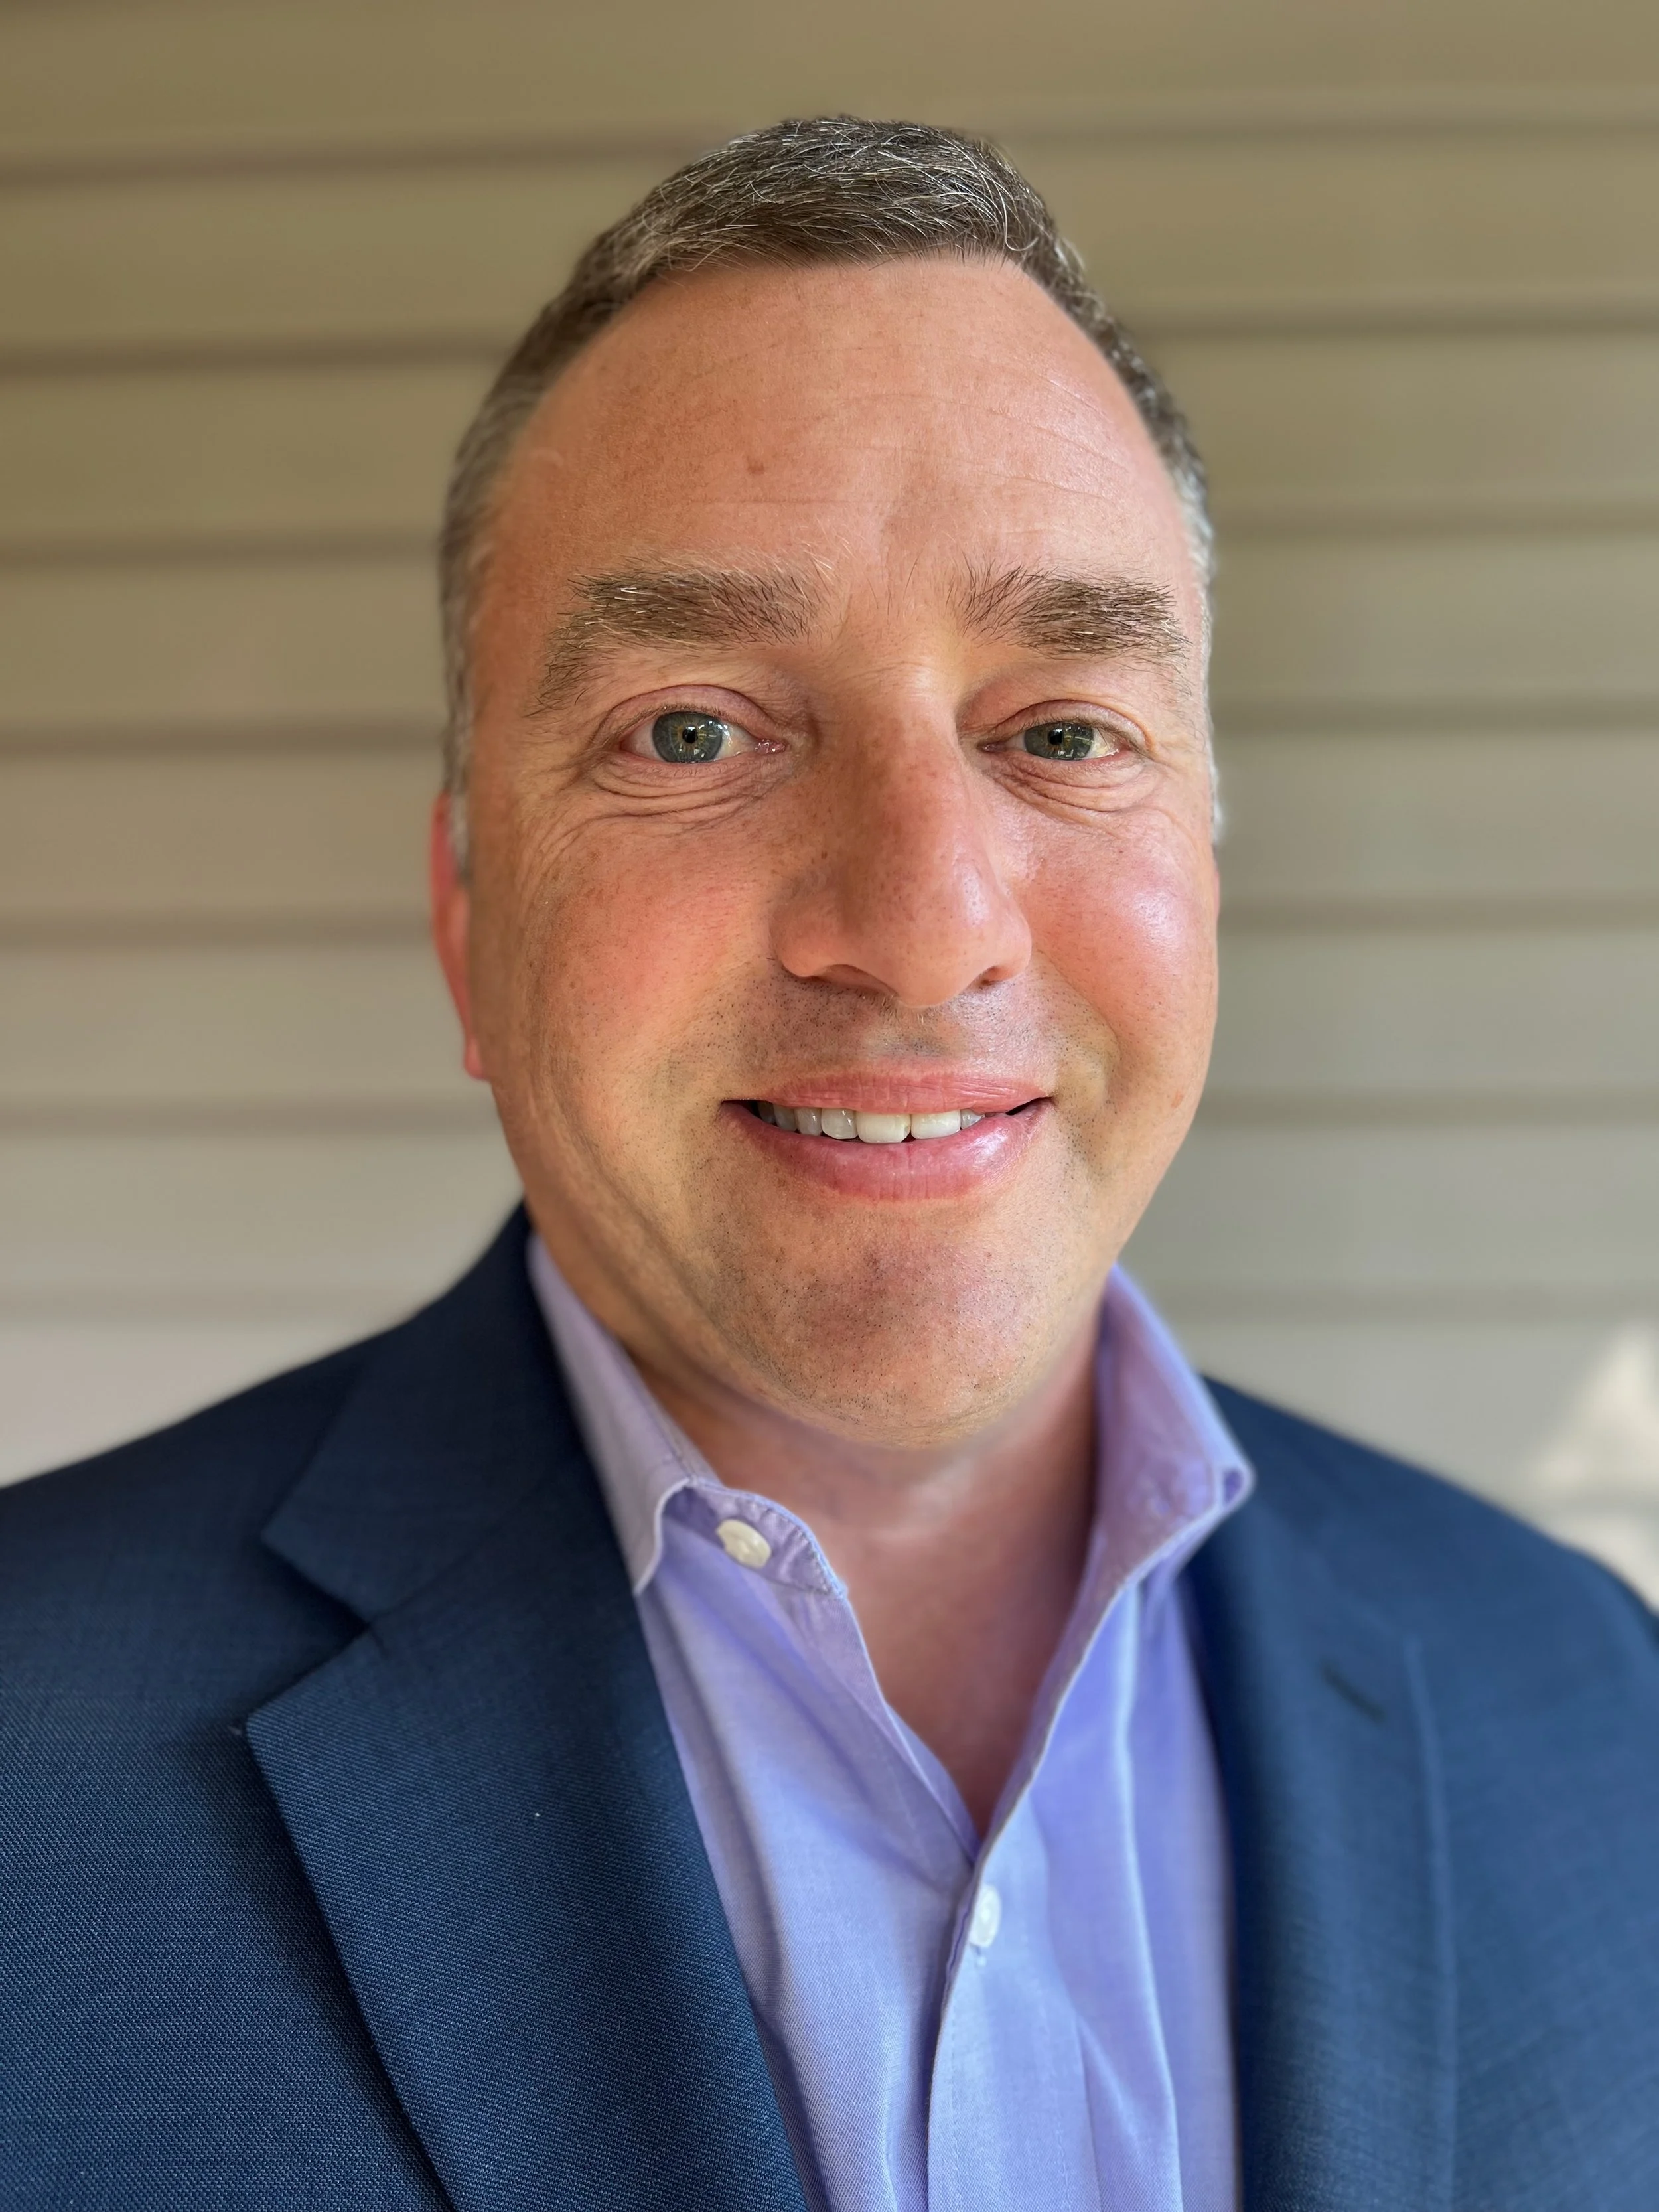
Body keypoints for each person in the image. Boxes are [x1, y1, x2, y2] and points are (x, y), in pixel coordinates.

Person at [1, 117, 1655, 2212]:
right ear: (465, 915)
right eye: (692, 729)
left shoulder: (1584, 1697)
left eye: (1061, 728)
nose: (917, 918)